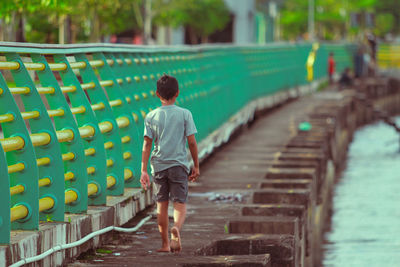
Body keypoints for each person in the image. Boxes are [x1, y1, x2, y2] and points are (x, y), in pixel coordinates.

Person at [140, 74, 200, 253]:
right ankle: (177, 229)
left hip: (158, 166)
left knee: (162, 205)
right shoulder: (185, 114)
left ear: (157, 94)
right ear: (178, 93)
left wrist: (143, 170)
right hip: (179, 165)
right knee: (180, 204)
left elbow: (147, 144)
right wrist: (196, 165)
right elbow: (191, 142)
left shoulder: (151, 116)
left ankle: (165, 244)